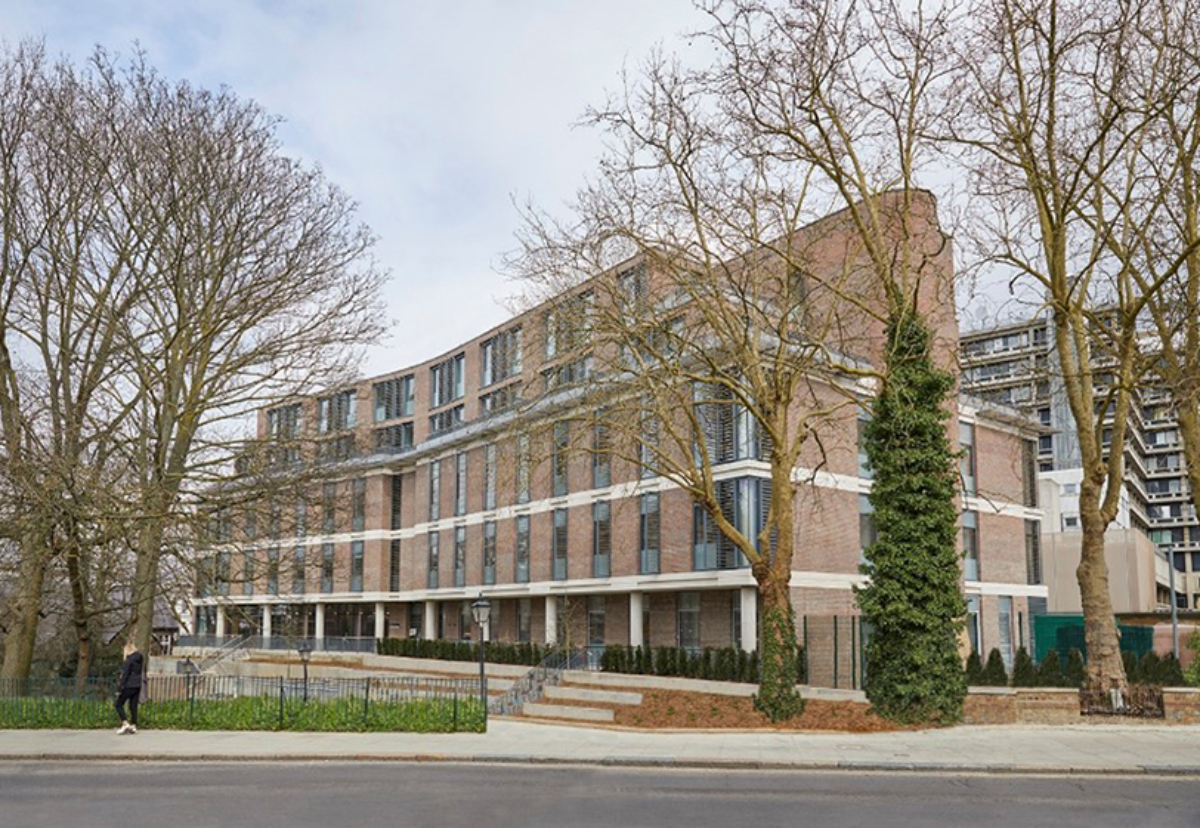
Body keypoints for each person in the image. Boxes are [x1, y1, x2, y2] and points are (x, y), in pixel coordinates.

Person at [115, 641, 144, 735]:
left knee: (118, 704)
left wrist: (119, 688)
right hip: (137, 684)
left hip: (129, 685)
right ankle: (134, 725)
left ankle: (125, 723)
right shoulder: (140, 659)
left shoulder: (129, 660)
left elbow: (125, 675)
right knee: (133, 705)